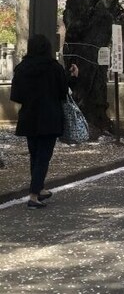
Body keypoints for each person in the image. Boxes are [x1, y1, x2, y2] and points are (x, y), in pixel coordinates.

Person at [10, 34, 78, 209]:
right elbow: (63, 92)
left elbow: (16, 96)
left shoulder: (21, 68)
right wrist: (72, 77)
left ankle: (39, 188)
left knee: (35, 155)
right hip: (50, 117)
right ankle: (33, 196)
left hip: (29, 117)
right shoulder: (54, 68)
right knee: (43, 157)